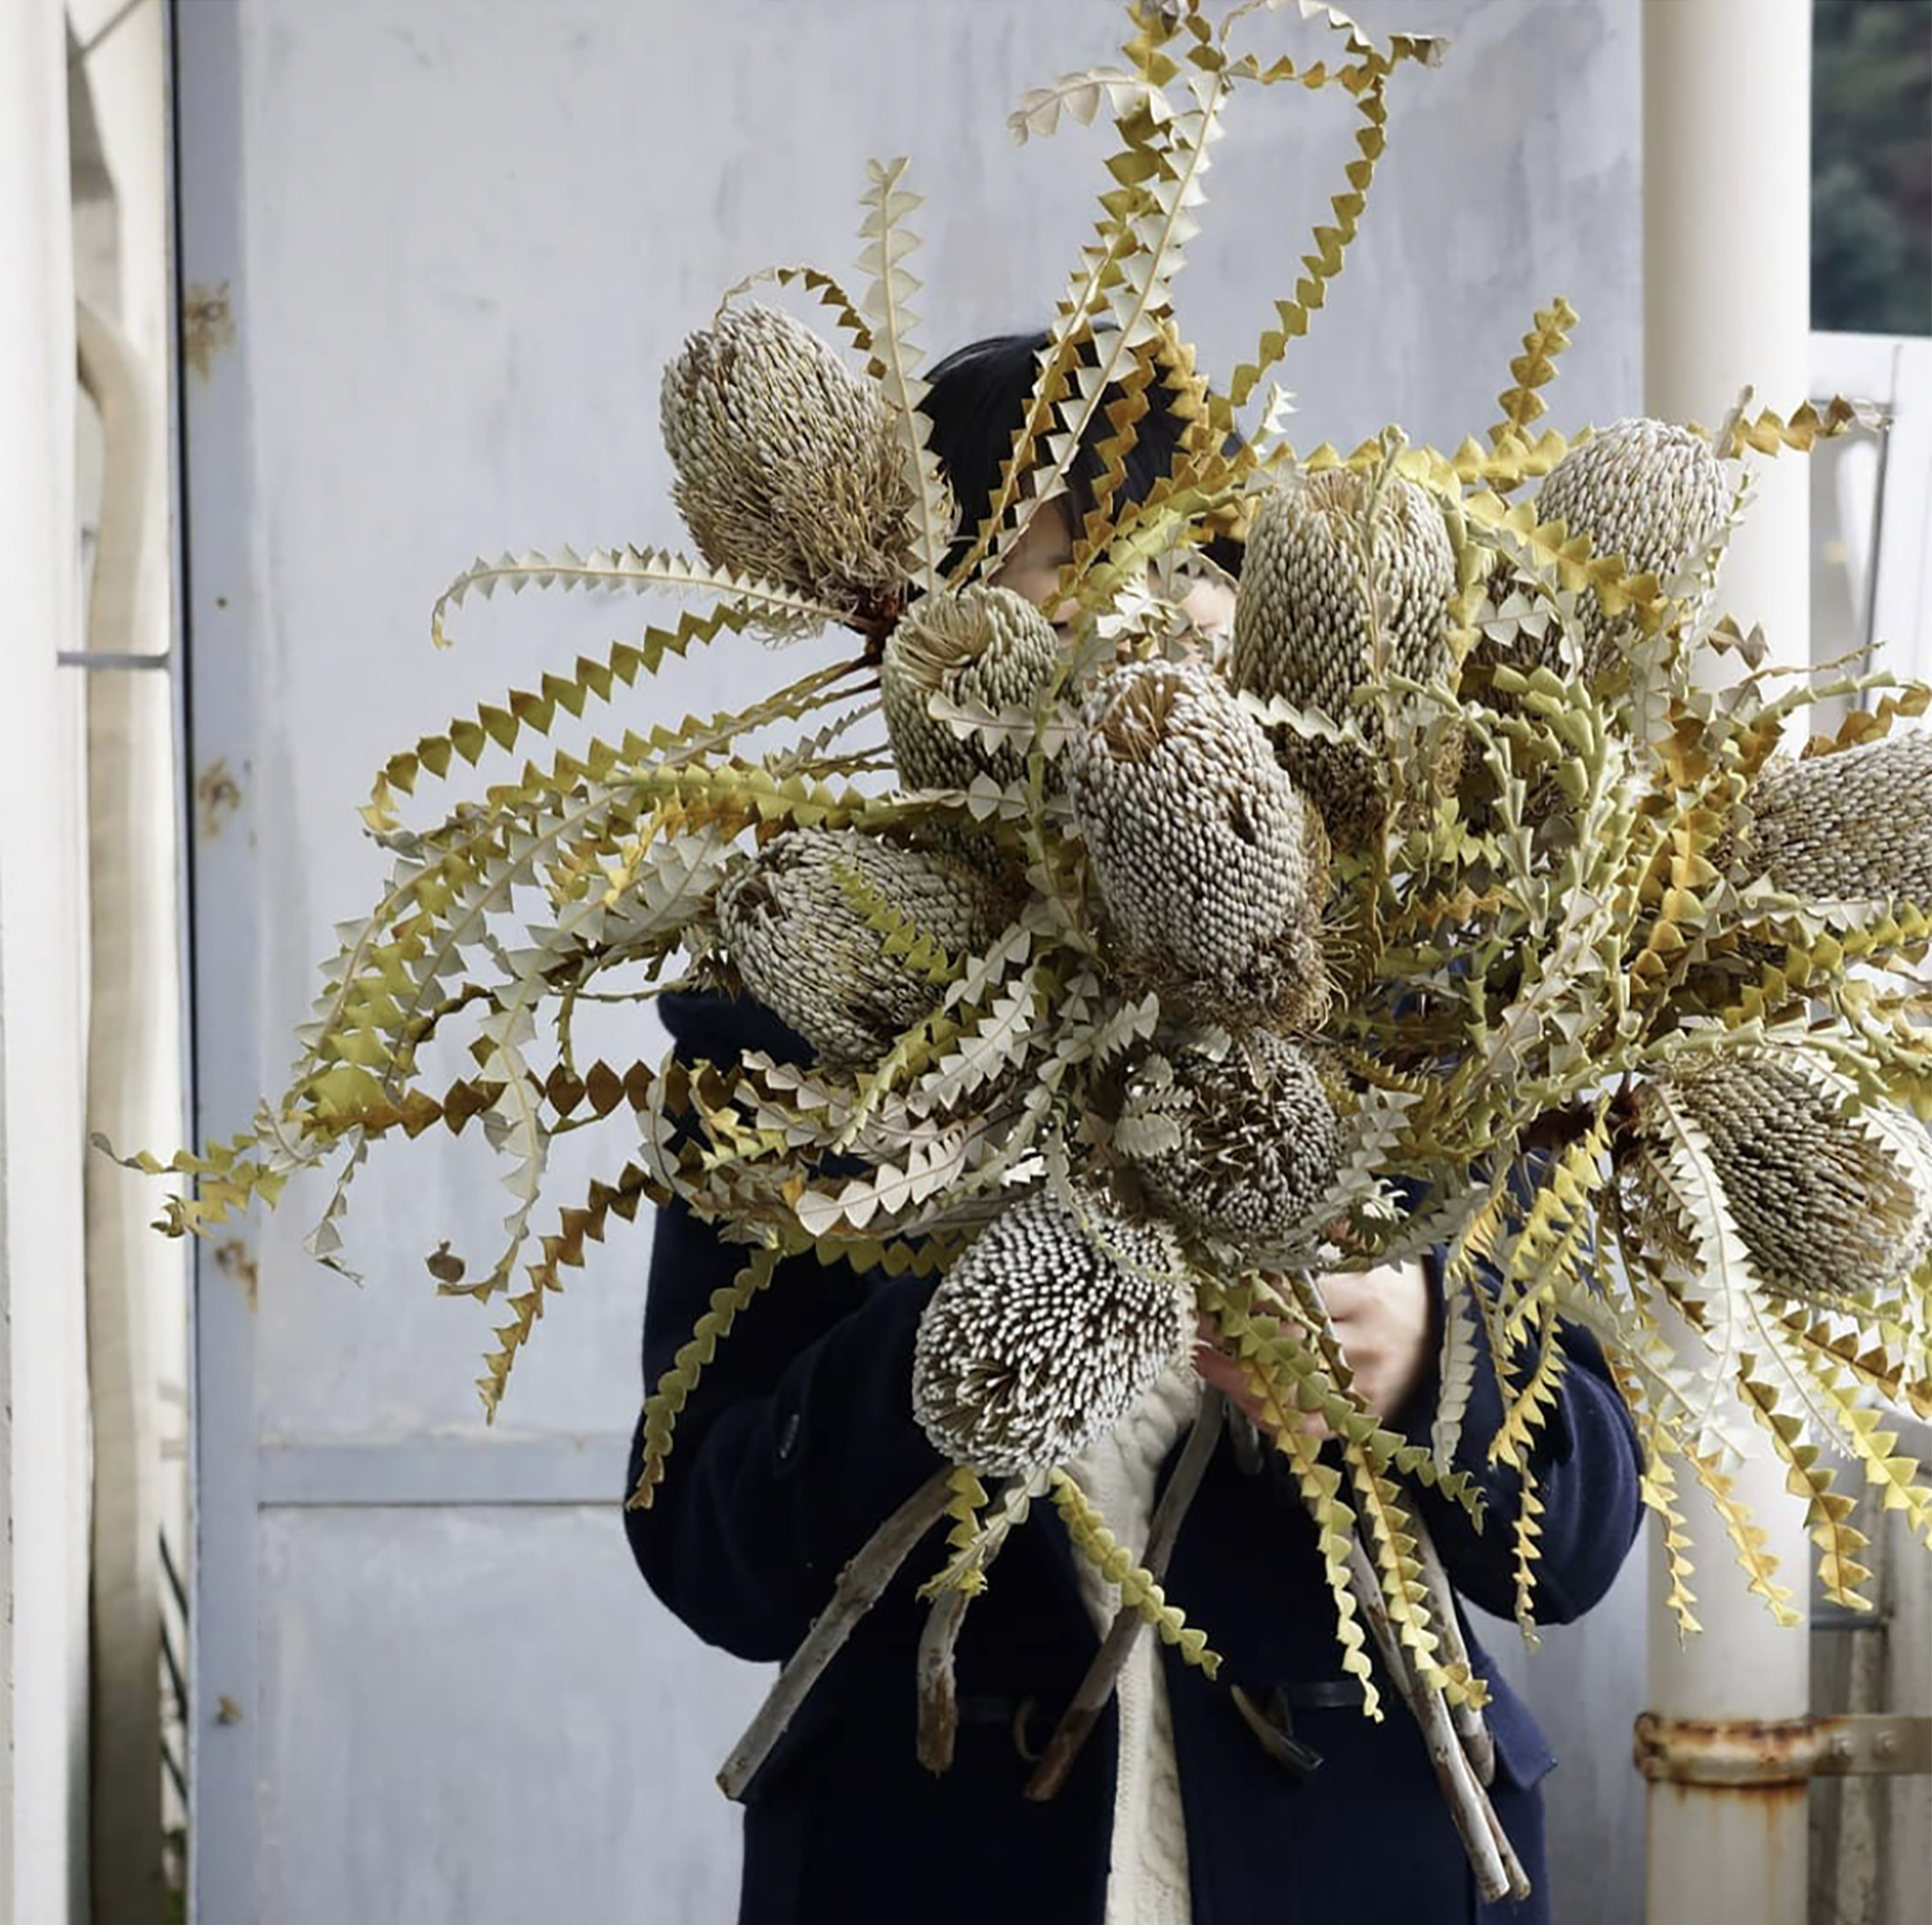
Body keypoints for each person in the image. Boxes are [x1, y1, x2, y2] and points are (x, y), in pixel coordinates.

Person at [623, 331, 1647, 1925]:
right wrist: (956, 1361)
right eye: (1056, 577)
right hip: (937, 1859)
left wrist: (1420, 1344)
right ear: (925, 640)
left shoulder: (1424, 964)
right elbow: (708, 1537)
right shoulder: (795, 992)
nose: (1131, 627)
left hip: (1356, 1859)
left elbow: (1578, 1537)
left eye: (1174, 569)